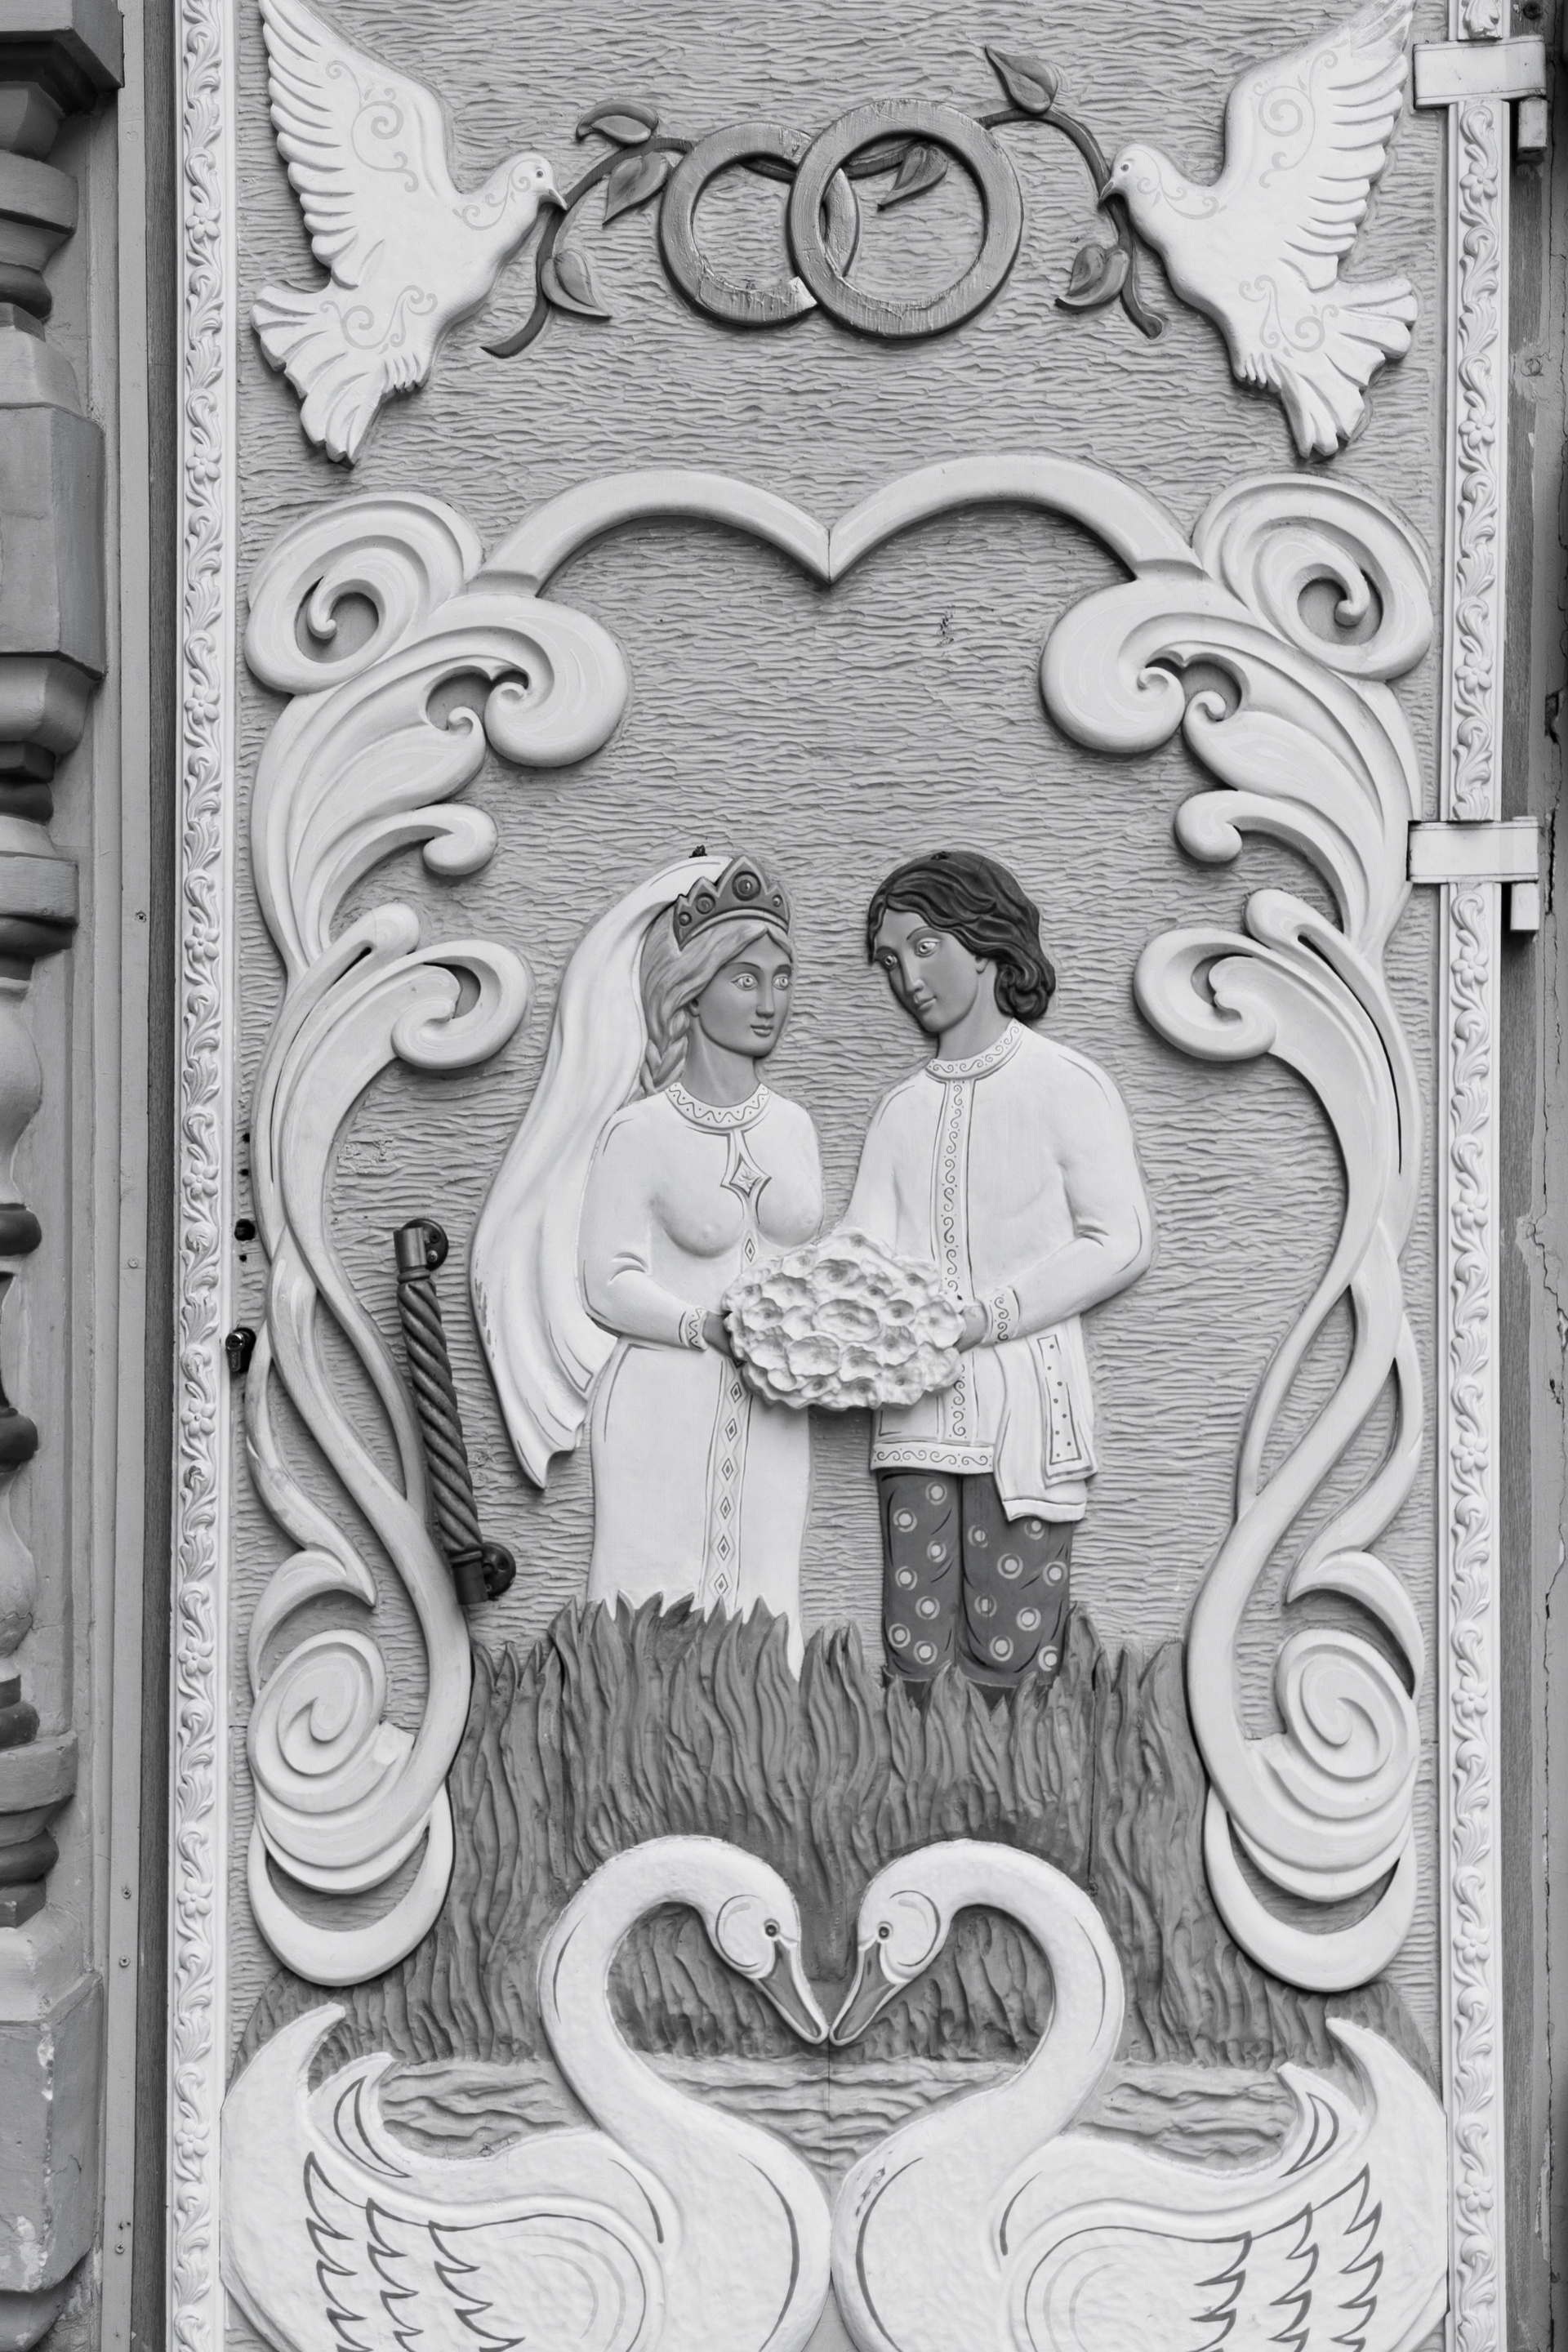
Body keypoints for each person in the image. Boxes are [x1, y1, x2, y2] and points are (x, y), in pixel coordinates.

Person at [471, 853, 822, 1667]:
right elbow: (607, 1281)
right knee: (651, 1600)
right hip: (666, 1395)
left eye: (781, 979)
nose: (769, 1002)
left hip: (776, 1408)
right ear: (691, 992)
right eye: (745, 980)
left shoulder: (794, 1126)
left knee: (766, 1591)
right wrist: (704, 1326)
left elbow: (809, 1263)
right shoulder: (641, 1132)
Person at [846, 850, 1152, 1694]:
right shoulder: (901, 1110)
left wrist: (996, 1314)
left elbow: (1119, 1238)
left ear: (986, 943)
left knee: (1009, 1654)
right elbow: (859, 1257)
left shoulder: (1065, 1085)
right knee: (914, 1651)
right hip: (915, 1416)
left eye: (925, 947)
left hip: (1025, 1410)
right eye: (890, 961)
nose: (908, 979)